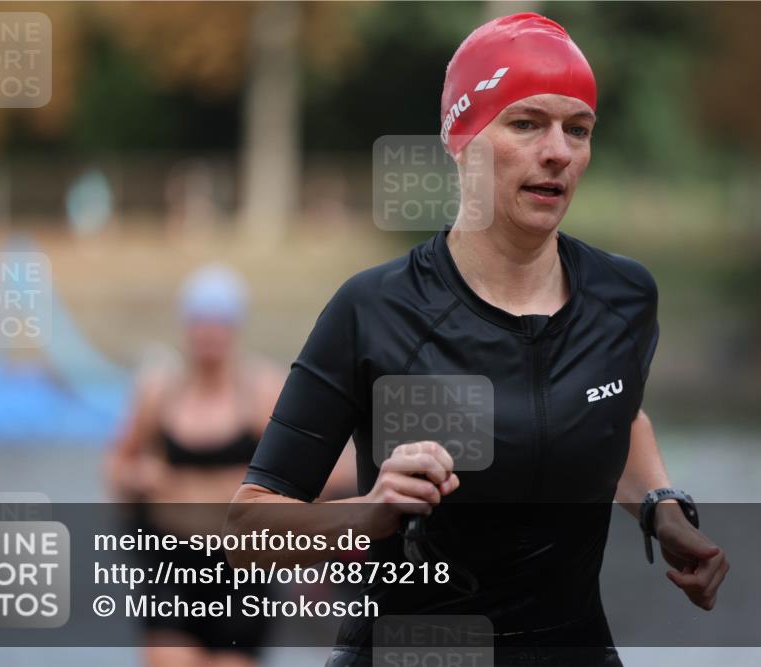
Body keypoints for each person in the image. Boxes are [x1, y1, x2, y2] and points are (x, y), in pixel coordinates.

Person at [232, 13, 730, 667]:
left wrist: (660, 508)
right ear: (461, 136)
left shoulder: (624, 297)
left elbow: (615, 411)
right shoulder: (376, 310)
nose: (557, 150)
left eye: (577, 129)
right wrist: (368, 511)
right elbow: (248, 526)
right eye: (526, 123)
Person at [105, 264, 289, 667]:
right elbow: (117, 465)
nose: (209, 334)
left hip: (240, 571)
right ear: (186, 327)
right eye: (200, 322)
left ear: (235, 328)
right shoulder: (159, 390)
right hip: (169, 561)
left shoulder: (262, 391)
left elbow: (308, 479)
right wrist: (139, 476)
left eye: (219, 322)